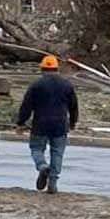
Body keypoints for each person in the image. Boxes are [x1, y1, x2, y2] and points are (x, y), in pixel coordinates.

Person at [16, 55, 78, 194]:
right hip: (60, 125)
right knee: (57, 153)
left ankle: (42, 165)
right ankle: (52, 184)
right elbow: (73, 106)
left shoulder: (36, 85)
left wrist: (21, 122)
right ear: (57, 68)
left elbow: (27, 105)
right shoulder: (67, 84)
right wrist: (73, 122)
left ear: (42, 68)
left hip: (40, 124)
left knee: (36, 148)